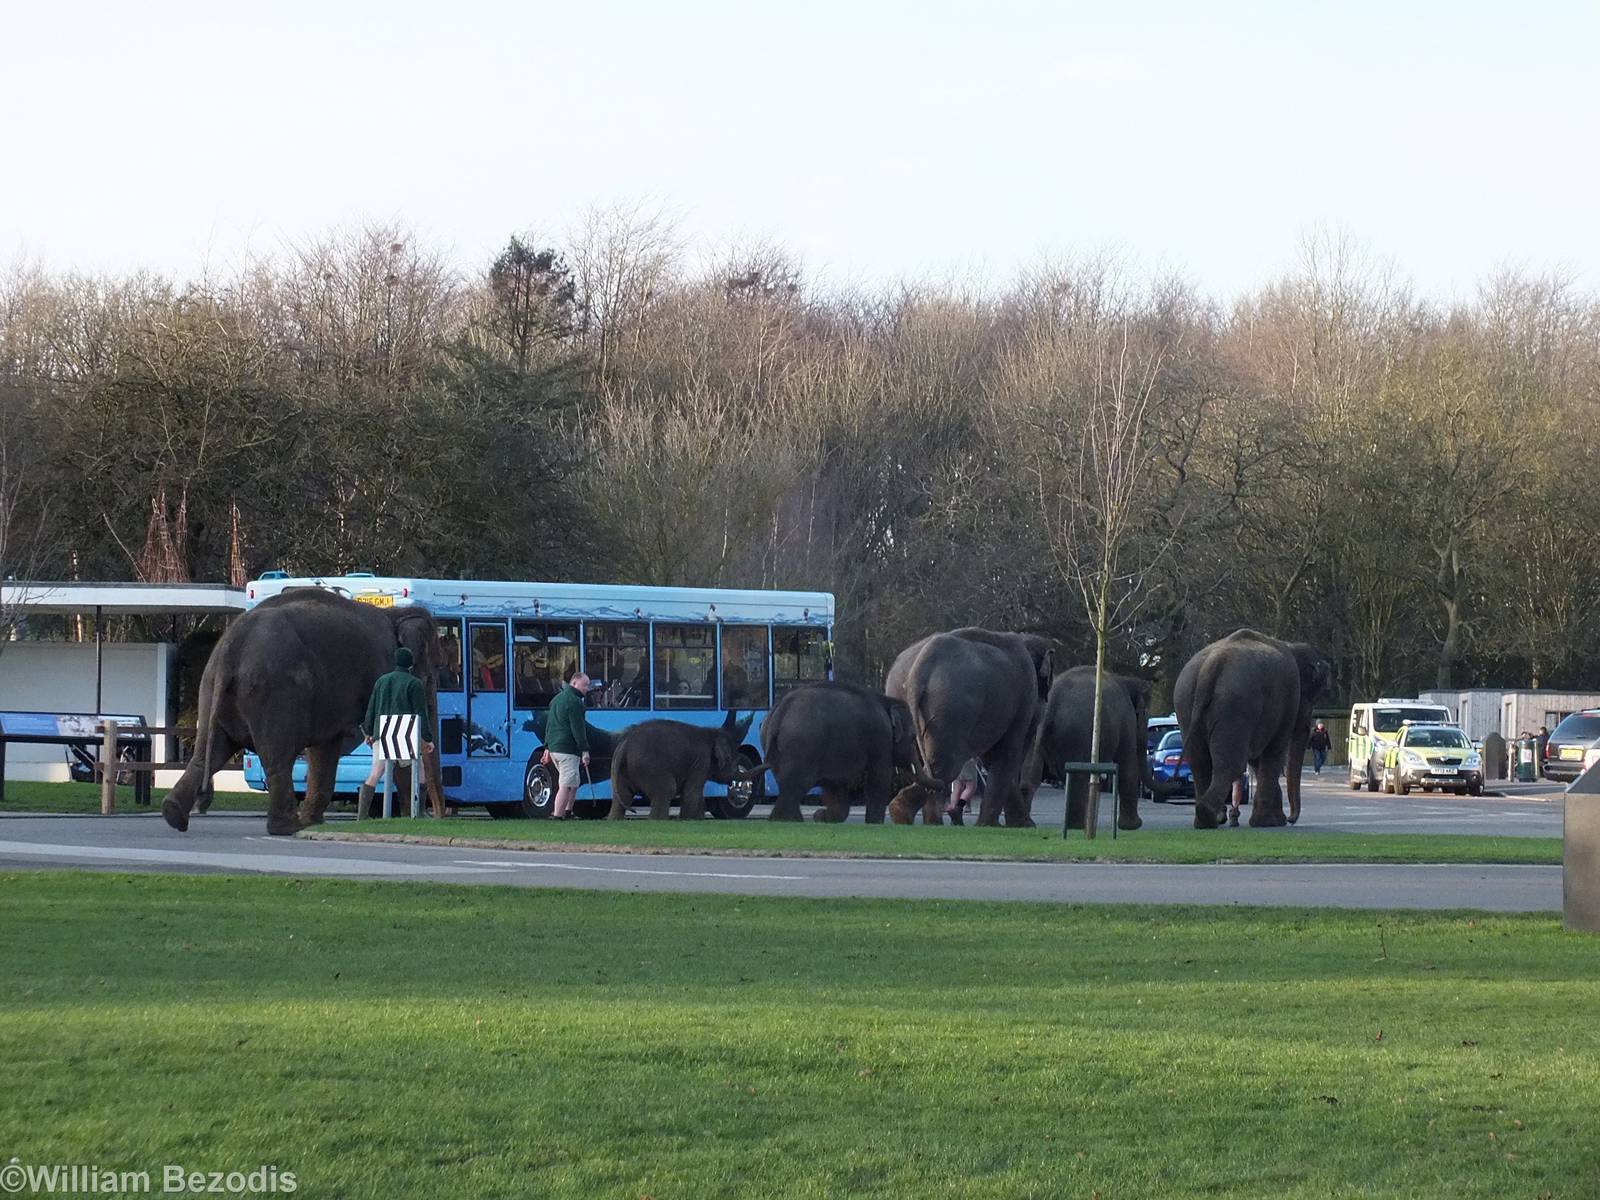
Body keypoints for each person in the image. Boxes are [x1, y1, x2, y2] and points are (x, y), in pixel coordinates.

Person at [356, 647, 435, 818]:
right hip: (405, 734)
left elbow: (372, 708)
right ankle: (419, 810)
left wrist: (368, 732)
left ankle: (362, 814)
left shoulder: (381, 681)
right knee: (420, 770)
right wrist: (427, 738)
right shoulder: (414, 684)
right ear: (410, 664)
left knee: (376, 772)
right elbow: (421, 714)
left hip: (382, 734)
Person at [544, 669, 592, 820]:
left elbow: (549, 725)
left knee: (573, 781)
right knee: (566, 784)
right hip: (568, 750)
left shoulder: (556, 699)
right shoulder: (575, 702)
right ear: (574, 683)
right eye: (585, 685)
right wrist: (584, 750)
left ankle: (568, 811)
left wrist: (547, 747)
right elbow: (578, 728)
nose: (587, 689)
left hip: (554, 749)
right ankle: (558, 815)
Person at [946, 758, 985, 824]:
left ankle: (953, 807)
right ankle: (959, 806)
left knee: (957, 787)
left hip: (955, 762)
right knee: (971, 787)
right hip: (967, 760)